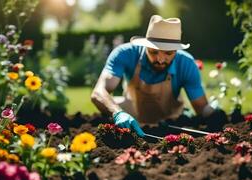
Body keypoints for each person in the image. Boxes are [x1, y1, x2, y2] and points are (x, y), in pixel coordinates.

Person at [91, 15, 227, 137]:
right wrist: (117, 113)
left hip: (172, 127)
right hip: (132, 125)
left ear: (177, 50)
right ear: (145, 46)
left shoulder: (186, 64)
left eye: (169, 53)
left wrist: (214, 113)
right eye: (153, 52)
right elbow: (98, 92)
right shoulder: (125, 54)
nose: (161, 60)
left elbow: (201, 107)